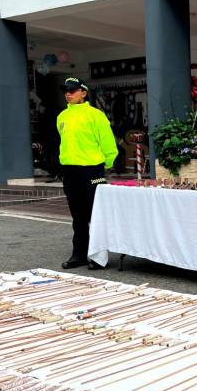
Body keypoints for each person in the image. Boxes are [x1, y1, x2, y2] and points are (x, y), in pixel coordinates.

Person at [56, 77, 118, 270]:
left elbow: (108, 144)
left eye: (73, 90)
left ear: (83, 92)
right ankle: (79, 255)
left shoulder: (96, 115)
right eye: (66, 90)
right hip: (70, 171)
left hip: (93, 170)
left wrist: (106, 164)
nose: (68, 93)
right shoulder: (62, 117)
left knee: (96, 213)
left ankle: (99, 257)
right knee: (78, 216)